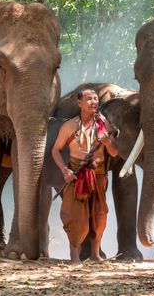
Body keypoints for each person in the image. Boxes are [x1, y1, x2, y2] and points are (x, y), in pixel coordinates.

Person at [52, 88, 118, 265]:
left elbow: (113, 152)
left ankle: (96, 255)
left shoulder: (104, 125)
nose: (93, 102)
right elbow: (55, 150)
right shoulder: (69, 126)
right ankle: (75, 258)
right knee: (75, 215)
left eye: (96, 98)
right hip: (76, 175)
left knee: (99, 214)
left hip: (98, 174)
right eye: (88, 99)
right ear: (79, 103)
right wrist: (65, 171)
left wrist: (107, 142)